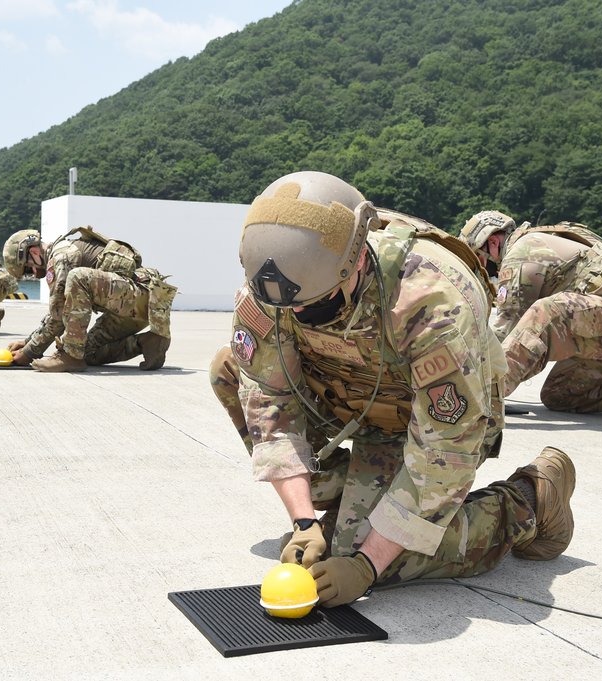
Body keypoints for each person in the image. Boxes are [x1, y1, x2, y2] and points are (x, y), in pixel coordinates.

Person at [209, 171, 575, 608]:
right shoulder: (275, 285)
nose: (302, 314)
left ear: (358, 261)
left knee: (369, 556)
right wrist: (304, 519)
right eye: (292, 309)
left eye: (320, 305)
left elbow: (444, 454)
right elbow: (270, 404)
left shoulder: (429, 304)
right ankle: (356, 501)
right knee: (230, 368)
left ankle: (529, 500)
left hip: (429, 431)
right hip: (351, 406)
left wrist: (365, 566)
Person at [460, 211, 602, 422]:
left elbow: (507, 326)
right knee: (559, 395)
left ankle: (482, 398)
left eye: (479, 257)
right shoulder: (545, 238)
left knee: (547, 311)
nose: (483, 265)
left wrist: (467, 377)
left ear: (493, 242)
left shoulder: (521, 251)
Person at [1, 227, 177, 372]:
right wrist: (27, 342)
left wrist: (30, 352)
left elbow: (58, 315)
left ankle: (71, 357)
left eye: (27, 269)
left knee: (78, 277)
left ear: (33, 252)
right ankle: (148, 343)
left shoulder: (60, 257)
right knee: (88, 352)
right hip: (136, 306)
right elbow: (58, 312)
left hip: (139, 297)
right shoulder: (64, 253)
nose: (33, 274)